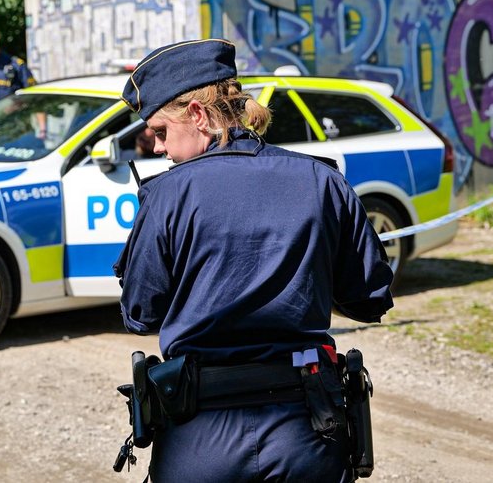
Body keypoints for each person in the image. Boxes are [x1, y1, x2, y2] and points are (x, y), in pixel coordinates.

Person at [113, 38, 393, 482]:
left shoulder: (166, 195)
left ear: (199, 116)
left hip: (199, 436)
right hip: (308, 429)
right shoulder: (322, 182)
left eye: (162, 132)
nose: (160, 149)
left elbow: (142, 315)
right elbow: (368, 299)